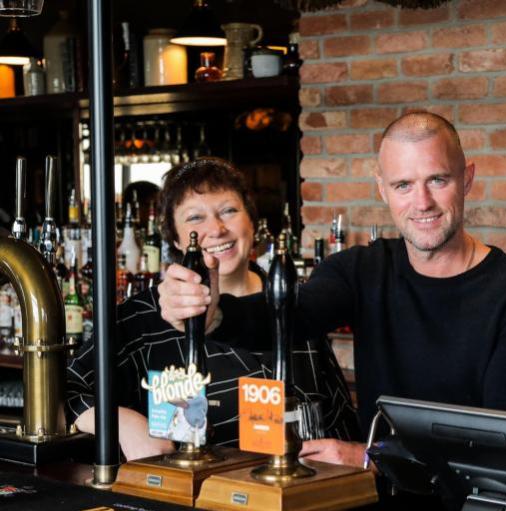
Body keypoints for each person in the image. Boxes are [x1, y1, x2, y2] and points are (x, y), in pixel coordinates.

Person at [157, 112, 506, 470]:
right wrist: (215, 315)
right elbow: (288, 317)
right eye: (403, 185)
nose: (422, 202)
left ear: (467, 179)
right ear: (382, 190)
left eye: (438, 179)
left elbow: (504, 449)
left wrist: (370, 457)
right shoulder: (362, 270)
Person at [67, 158, 359, 460]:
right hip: (194, 500)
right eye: (195, 218)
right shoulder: (143, 317)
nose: (217, 229)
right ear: (176, 238)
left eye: (229, 211)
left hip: (298, 495)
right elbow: (64, 389)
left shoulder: (294, 306)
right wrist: (123, 423)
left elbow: (339, 420)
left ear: (251, 221)